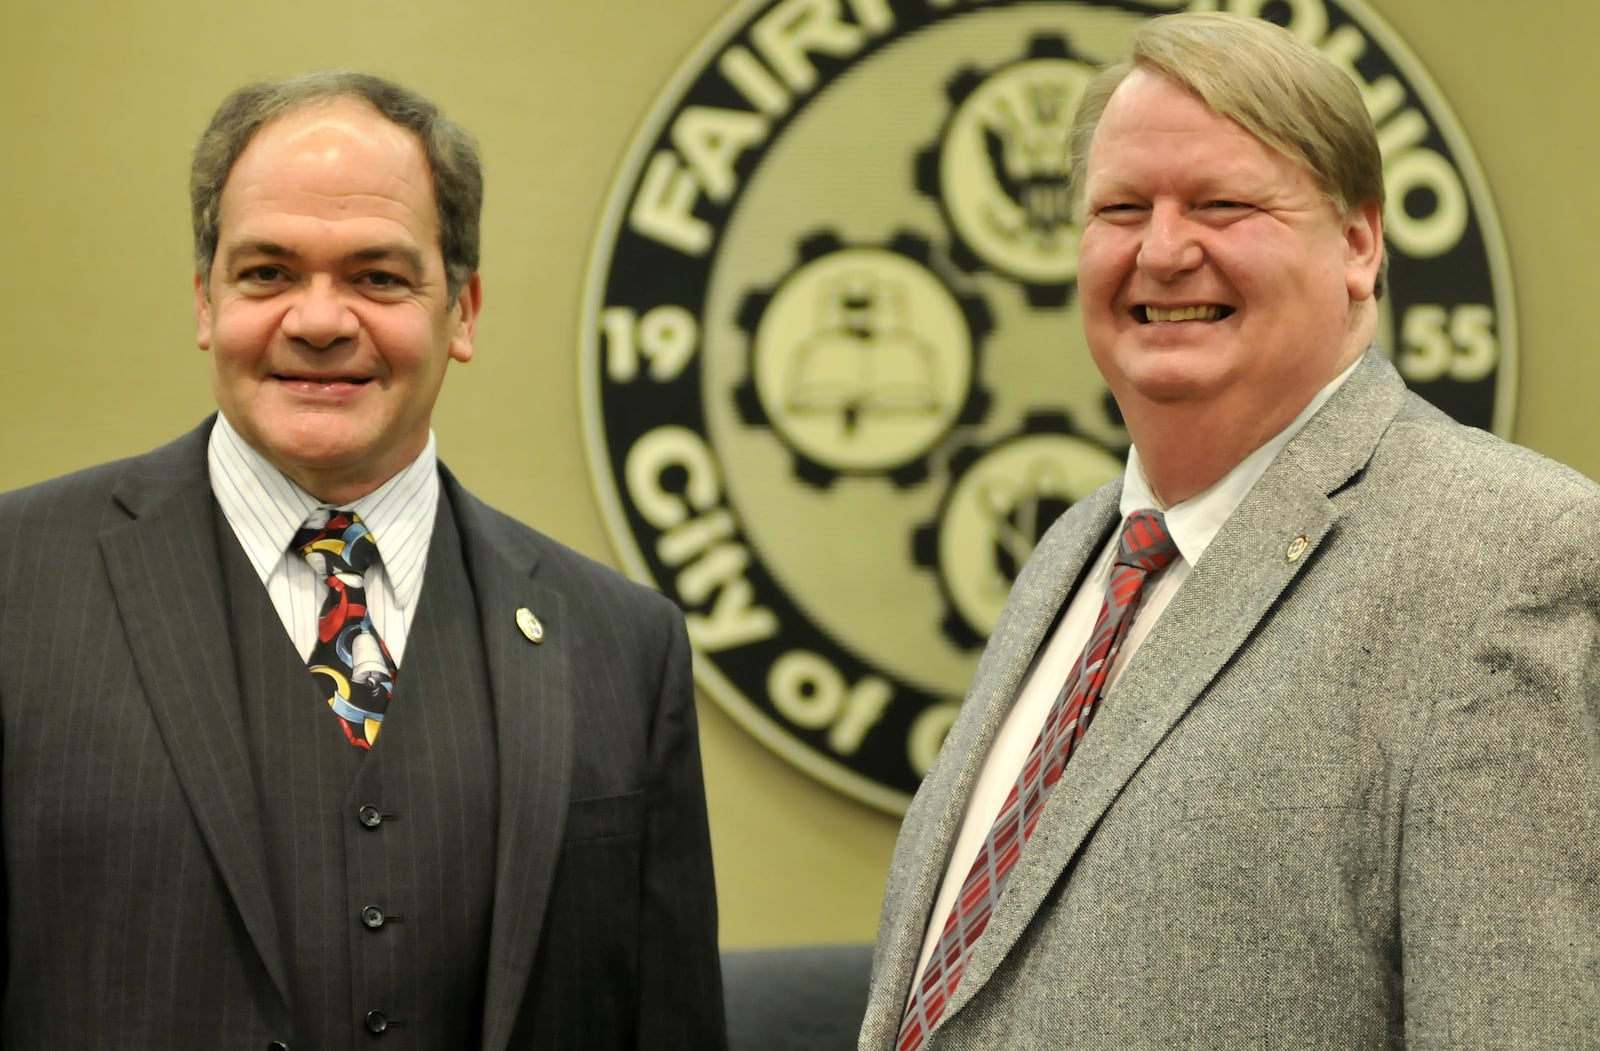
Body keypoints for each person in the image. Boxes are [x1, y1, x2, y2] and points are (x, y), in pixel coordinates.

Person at [858, 12, 1600, 1050]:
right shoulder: (1074, 556)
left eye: (1222, 205)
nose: (1162, 251)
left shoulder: (1510, 556)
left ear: (1357, 243)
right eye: (1121, 209)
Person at [0, 70, 725, 1050]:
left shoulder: (622, 647)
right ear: (205, 301)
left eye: (377, 277)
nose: (319, 320)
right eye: (267, 274)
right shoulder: (17, 584)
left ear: (462, 311)